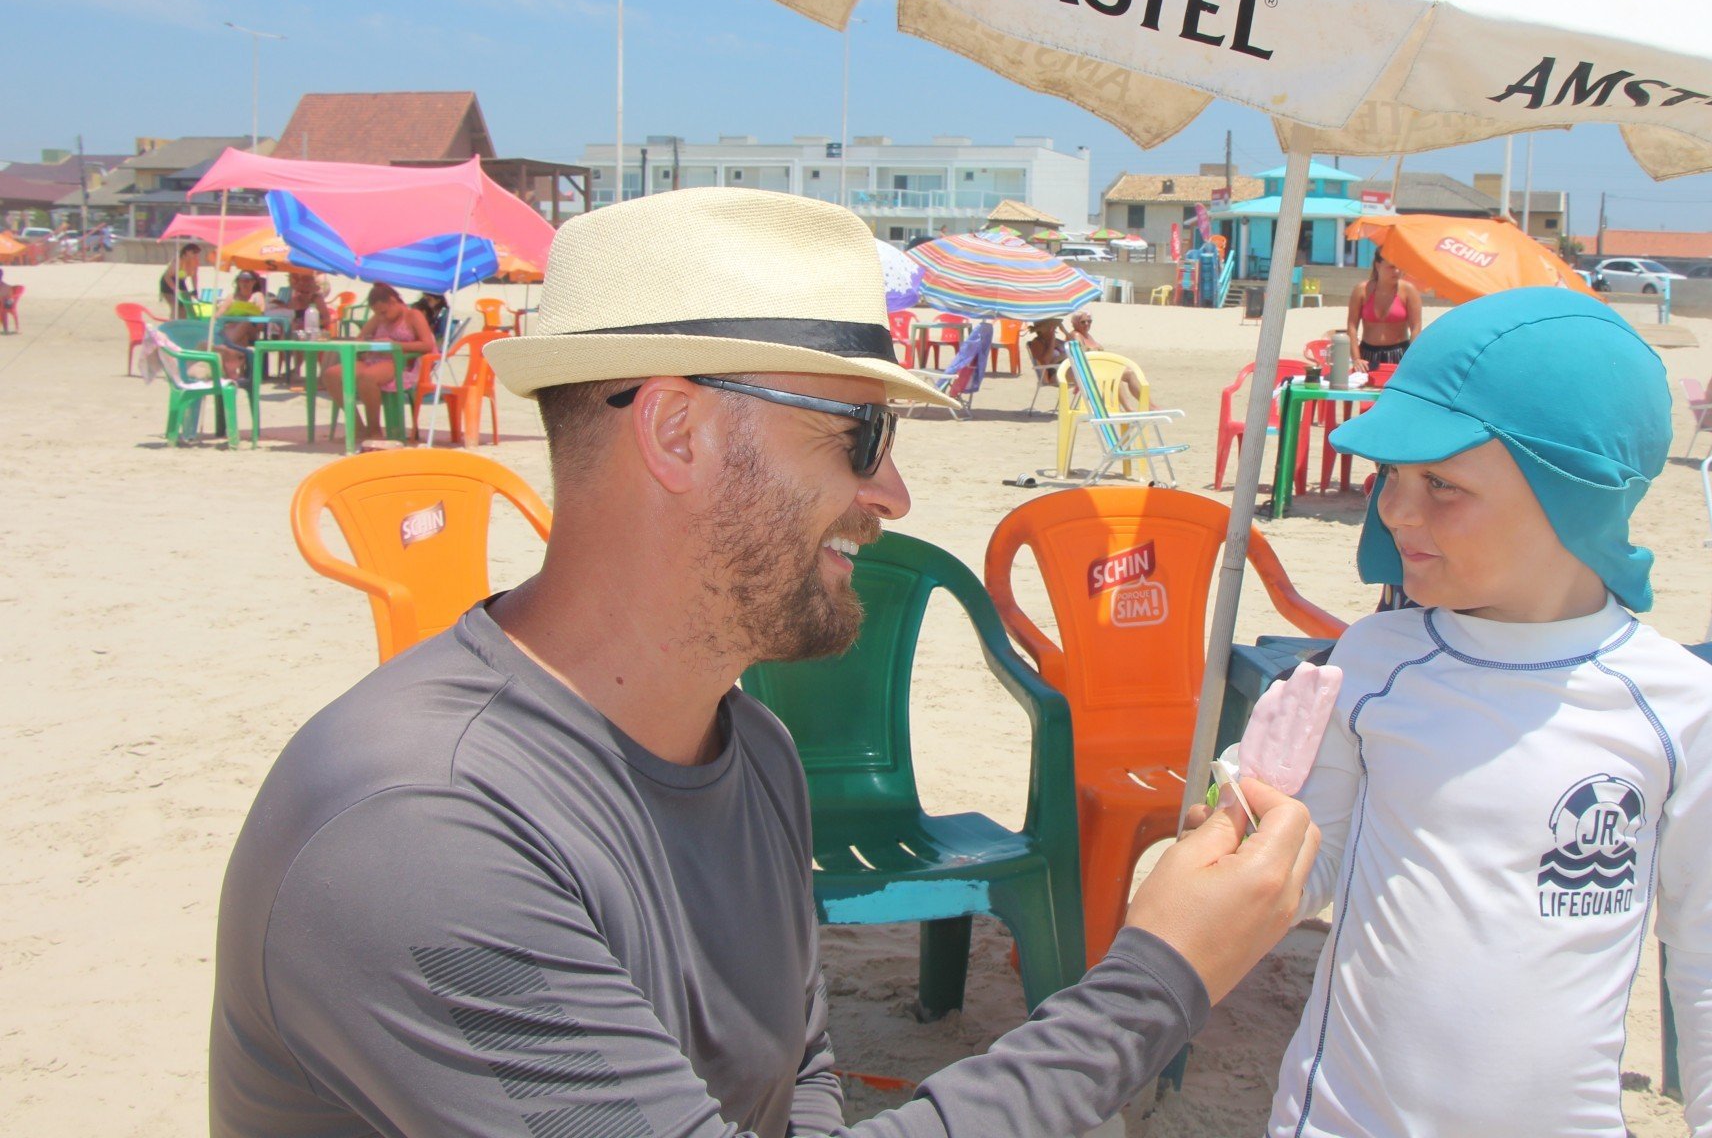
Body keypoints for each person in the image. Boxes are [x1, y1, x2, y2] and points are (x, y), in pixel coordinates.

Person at [211, 188, 1320, 1138]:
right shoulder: (418, 826)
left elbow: (799, 1091)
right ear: (678, 433)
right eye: (863, 435)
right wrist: (1156, 976)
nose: (893, 495)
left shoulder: (751, 750)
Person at [1254, 288, 1712, 1137]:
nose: (1396, 510)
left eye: (1443, 484)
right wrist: (1251, 815)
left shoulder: (1680, 709)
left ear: (1576, 494)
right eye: (1390, 476)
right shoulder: (1377, 662)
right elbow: (1310, 873)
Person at [318, 281, 432, 443]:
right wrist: (367, 344)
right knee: (332, 374)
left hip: (399, 361)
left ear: (394, 301)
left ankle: (374, 429)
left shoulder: (413, 316)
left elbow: (427, 345)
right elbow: (360, 339)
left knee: (367, 378)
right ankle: (357, 426)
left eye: (384, 312)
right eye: (377, 313)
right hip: (374, 359)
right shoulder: (379, 318)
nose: (381, 317)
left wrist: (394, 345)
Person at [1343, 255, 1422, 372]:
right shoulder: (1362, 290)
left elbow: (1416, 327)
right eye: (1391, 267)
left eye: (1400, 267)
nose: (1397, 271)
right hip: (1367, 354)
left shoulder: (1408, 291)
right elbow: (1352, 326)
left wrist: (1410, 357)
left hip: (1399, 353)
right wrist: (1356, 358)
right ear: (1378, 265)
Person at [160, 243, 202, 318]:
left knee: (186, 306)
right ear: (187, 252)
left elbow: (194, 276)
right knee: (175, 306)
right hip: (168, 283)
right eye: (194, 253)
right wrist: (175, 289)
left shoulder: (195, 261)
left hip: (180, 282)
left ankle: (182, 324)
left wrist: (195, 290)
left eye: (197, 253)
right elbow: (167, 276)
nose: (196, 255)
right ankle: (172, 325)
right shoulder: (178, 261)